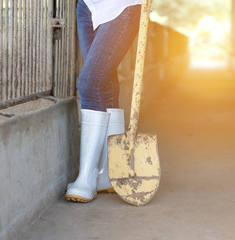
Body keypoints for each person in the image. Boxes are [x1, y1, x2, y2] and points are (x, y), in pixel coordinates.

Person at [66, 0, 142, 202]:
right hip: (87, 6)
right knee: (103, 82)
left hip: (121, 7)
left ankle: (87, 177)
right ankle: (109, 172)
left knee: (89, 83)